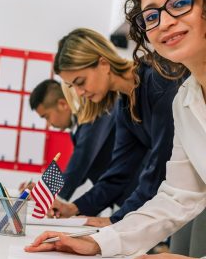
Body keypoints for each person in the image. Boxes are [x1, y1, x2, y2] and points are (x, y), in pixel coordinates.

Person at [25, 0, 206, 259]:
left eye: (179, 3)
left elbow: (146, 172)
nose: (164, 22)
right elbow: (177, 195)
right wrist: (97, 241)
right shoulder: (186, 99)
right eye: (150, 16)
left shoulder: (164, 86)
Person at [43, 28, 182, 227]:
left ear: (103, 64)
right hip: (175, 195)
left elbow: (160, 166)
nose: (79, 92)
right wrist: (74, 209)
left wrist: (114, 220)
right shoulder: (125, 104)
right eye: (73, 86)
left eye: (80, 82)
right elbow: (118, 174)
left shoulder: (158, 82)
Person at [25, 79, 116, 201]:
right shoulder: (78, 126)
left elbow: (80, 163)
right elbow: (78, 169)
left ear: (62, 104)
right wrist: (43, 189)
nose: (49, 123)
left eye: (47, 116)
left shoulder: (92, 115)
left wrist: (45, 195)